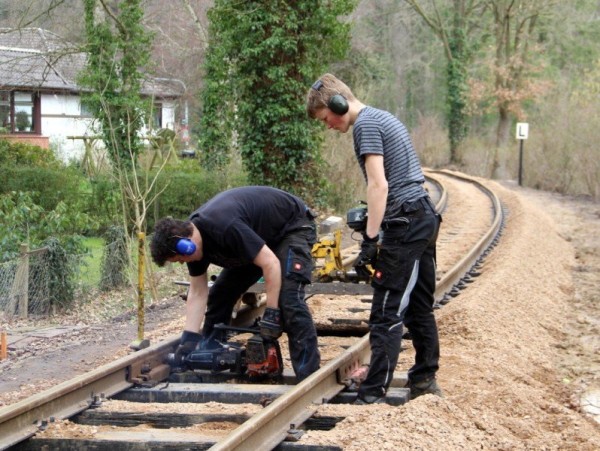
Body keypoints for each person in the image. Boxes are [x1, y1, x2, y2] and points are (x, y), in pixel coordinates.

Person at [306, 74, 443, 403]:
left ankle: (371, 394)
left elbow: (378, 185)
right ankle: (424, 381)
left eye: (326, 118)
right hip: (423, 215)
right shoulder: (383, 117)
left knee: (386, 311)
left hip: (406, 222)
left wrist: (369, 240)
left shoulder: (365, 125)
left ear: (338, 104)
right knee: (419, 308)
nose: (328, 126)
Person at [150, 186, 320, 382]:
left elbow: (271, 263)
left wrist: (272, 313)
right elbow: (197, 293)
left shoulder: (224, 226)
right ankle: (211, 357)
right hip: (257, 242)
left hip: (290, 228)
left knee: (289, 298)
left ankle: (308, 376)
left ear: (186, 245)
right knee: (220, 294)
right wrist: (189, 339)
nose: (181, 262)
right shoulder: (194, 248)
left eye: (179, 259)